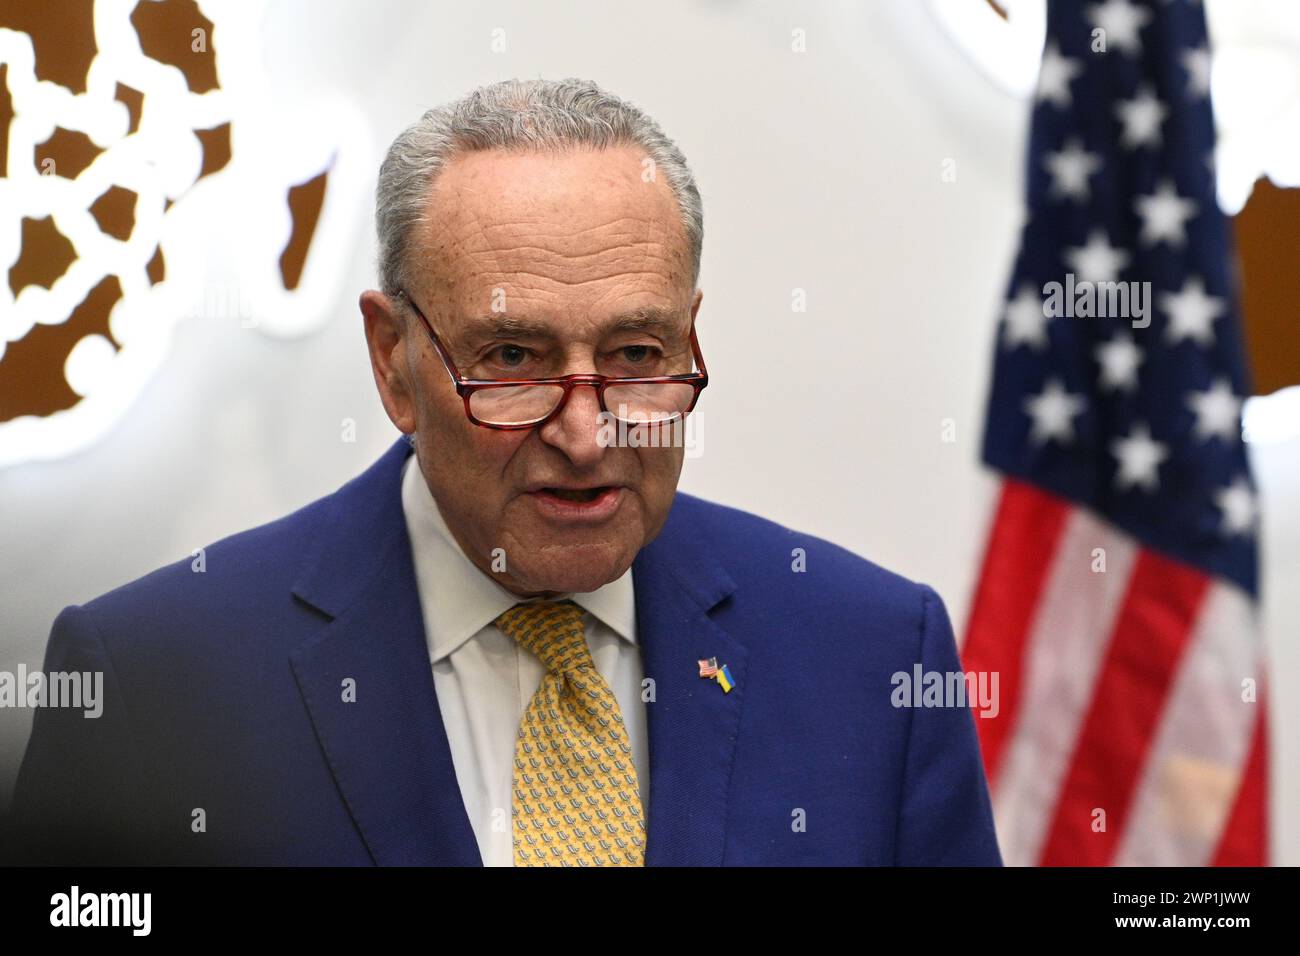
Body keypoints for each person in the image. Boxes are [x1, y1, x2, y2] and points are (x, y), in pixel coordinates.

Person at [4, 78, 1001, 866]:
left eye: (637, 355)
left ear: (690, 335)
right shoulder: (152, 682)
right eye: (513, 359)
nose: (583, 431)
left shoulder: (870, 656)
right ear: (392, 359)